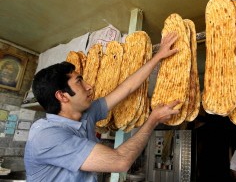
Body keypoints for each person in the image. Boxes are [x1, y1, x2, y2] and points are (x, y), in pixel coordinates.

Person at [24, 32, 180, 182]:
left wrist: (158, 56)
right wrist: (154, 119)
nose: (89, 86)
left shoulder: (85, 114)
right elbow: (121, 161)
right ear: (62, 96)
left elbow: (127, 88)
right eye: (79, 82)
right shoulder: (47, 136)